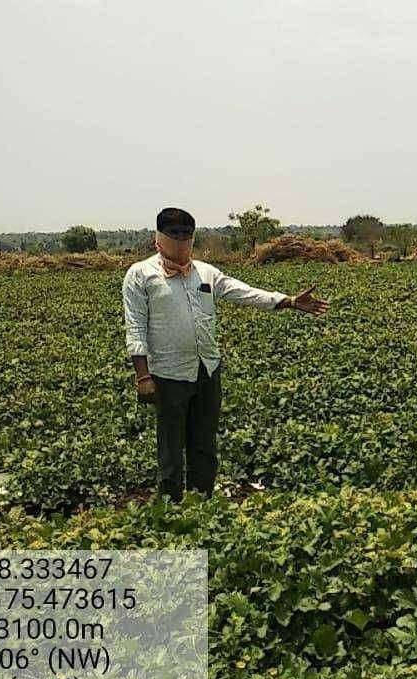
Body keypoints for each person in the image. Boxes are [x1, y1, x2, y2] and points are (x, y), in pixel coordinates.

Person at [123, 207, 329, 501]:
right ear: (159, 238)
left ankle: (201, 505)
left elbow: (243, 291)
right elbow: (135, 326)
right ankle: (169, 512)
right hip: (167, 375)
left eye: (186, 234)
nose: (181, 240)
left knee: (205, 446)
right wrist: (142, 375)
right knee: (170, 450)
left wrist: (289, 301)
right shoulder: (141, 275)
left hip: (206, 370)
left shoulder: (205, 273)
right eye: (174, 234)